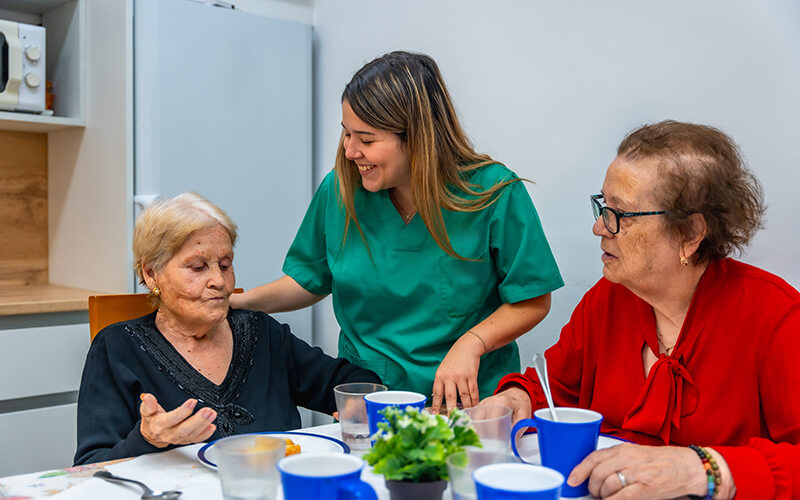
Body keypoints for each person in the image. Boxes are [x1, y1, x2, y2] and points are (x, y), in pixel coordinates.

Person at [481, 120, 800, 499]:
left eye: (621, 214)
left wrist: (703, 469)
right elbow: (553, 390)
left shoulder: (774, 317)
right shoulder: (609, 298)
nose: (599, 227)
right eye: (602, 206)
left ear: (690, 233)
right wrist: (516, 398)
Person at [232, 51, 563, 414]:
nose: (350, 150)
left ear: (418, 138)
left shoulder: (493, 194)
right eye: (346, 133)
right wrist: (237, 302)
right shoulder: (341, 190)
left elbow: (532, 298)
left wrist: (472, 343)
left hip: (468, 404)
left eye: (366, 139)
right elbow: (310, 278)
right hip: (370, 400)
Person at [74, 193, 381, 465]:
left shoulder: (260, 331)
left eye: (224, 264)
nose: (219, 282)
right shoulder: (116, 348)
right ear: (152, 273)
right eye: (197, 268)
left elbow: (350, 382)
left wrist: (360, 406)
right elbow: (91, 464)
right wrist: (147, 439)